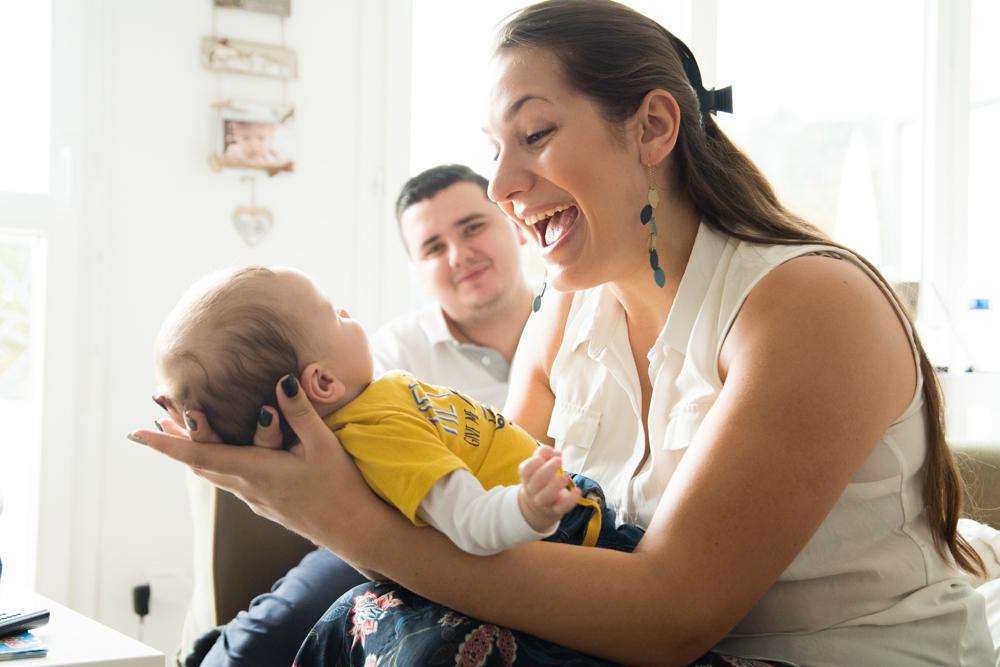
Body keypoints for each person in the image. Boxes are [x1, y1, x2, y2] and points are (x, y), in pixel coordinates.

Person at [134, 1, 997, 665]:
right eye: (494, 148)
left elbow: (671, 613)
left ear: (654, 127)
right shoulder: (568, 312)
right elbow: (492, 522)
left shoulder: (809, 303)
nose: (503, 183)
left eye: (535, 135)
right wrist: (288, 459)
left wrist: (340, 519)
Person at [178, 165, 535, 667]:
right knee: (291, 613)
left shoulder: (567, 316)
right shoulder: (389, 353)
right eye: (433, 247)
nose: (460, 255)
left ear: (511, 224)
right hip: (408, 525)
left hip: (524, 522)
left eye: (473, 227)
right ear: (416, 266)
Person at [155, 264, 639, 556]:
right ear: (322, 382)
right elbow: (469, 522)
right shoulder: (376, 437)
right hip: (562, 536)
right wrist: (529, 508)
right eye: (335, 314)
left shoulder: (378, 400)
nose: (349, 313)